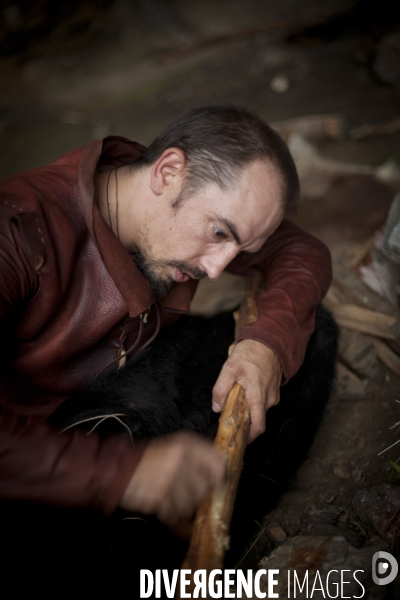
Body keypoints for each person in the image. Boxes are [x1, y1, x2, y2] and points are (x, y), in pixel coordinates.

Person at [0, 105, 331, 528]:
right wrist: (122, 473)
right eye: (219, 233)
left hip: (120, 383)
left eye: (241, 251)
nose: (216, 270)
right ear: (168, 172)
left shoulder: (179, 200)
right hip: (30, 450)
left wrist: (264, 344)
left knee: (313, 334)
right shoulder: (16, 230)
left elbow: (305, 253)